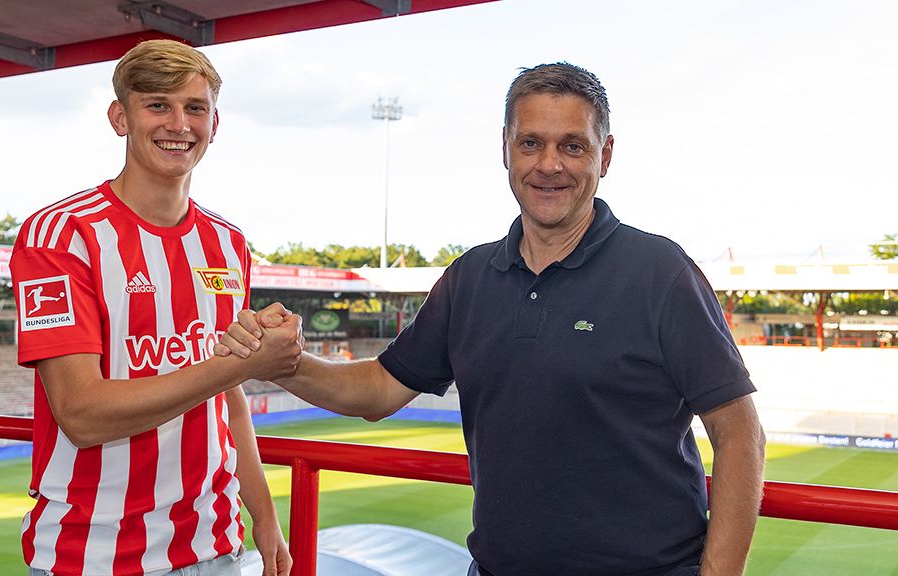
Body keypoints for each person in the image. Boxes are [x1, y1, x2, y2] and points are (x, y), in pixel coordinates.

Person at [219, 63, 766, 575]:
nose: (549, 164)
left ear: (606, 155)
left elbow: (738, 431)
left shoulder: (660, 272)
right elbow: (379, 388)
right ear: (505, 149)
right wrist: (284, 364)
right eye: (531, 143)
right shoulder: (470, 278)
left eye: (572, 146)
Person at [9, 39, 301, 576]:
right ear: (120, 117)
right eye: (157, 105)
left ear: (216, 123)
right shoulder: (60, 236)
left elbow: (228, 396)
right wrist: (239, 365)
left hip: (215, 548)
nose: (179, 124)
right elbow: (82, 414)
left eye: (195, 108)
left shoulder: (228, 243)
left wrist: (263, 516)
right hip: (93, 555)